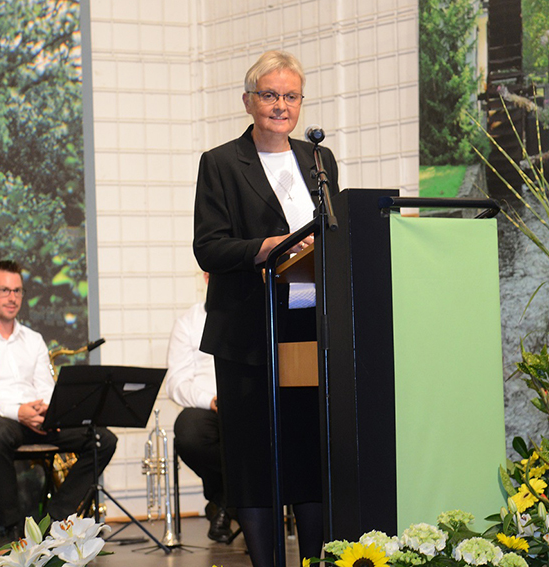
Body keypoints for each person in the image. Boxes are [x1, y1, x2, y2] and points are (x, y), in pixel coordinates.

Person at [192, 50, 339, 567]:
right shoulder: (221, 163)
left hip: (306, 328)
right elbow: (208, 247)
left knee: (308, 451)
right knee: (255, 458)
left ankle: (317, 560)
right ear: (249, 101)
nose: (281, 105)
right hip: (249, 332)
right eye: (270, 95)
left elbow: (333, 239)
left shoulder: (319, 161)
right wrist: (267, 248)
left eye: (291, 96)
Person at [0, 260, 117, 539]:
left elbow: (45, 387)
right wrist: (17, 411)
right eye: (4, 290)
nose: (12, 298)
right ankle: (12, 529)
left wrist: (48, 412)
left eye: (18, 291)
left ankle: (52, 522)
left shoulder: (33, 339)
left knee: (103, 439)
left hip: (40, 418)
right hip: (3, 419)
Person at [165, 273, 232, 543]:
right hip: (209, 405)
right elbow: (176, 382)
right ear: (206, 277)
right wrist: (211, 400)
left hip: (251, 405)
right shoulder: (189, 322)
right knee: (188, 431)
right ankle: (229, 499)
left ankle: (224, 504)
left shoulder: (259, 314)